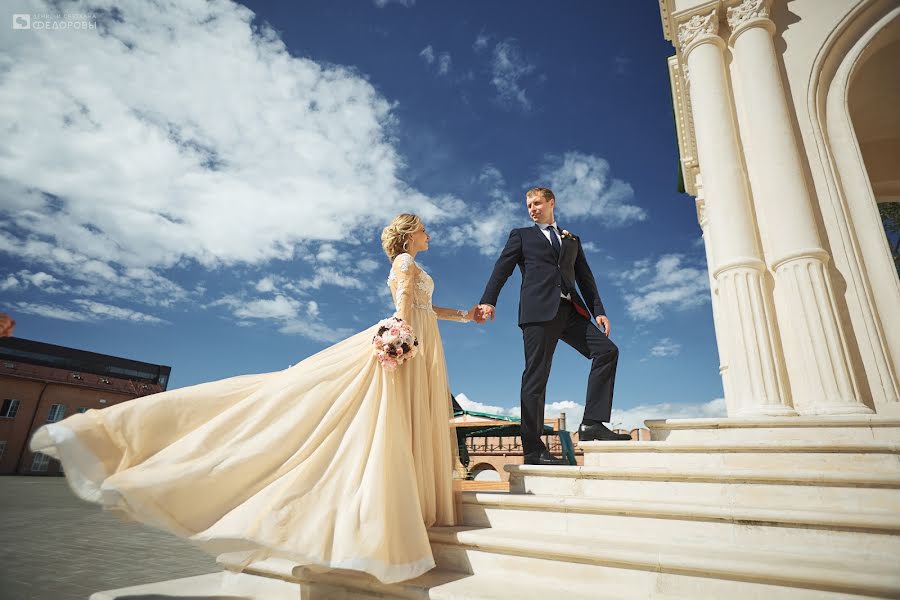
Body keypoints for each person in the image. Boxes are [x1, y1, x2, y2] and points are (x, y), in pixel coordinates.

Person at [29, 214, 482, 584]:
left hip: (422, 343)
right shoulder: (404, 262)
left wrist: (465, 315)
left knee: (405, 421)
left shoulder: (418, 269)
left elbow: (425, 307)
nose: (428, 233)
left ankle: (415, 509)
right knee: (363, 415)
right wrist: (400, 338)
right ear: (407, 234)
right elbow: (405, 304)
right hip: (407, 344)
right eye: (422, 228)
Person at [478, 187, 630, 466]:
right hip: (537, 314)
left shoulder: (572, 240)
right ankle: (534, 451)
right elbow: (502, 268)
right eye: (528, 205)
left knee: (607, 351)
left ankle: (592, 424)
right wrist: (489, 300)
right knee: (536, 378)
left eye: (537, 203)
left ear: (551, 203)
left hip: (571, 311)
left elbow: (586, 278)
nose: (532, 208)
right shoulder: (521, 235)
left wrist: (599, 311)